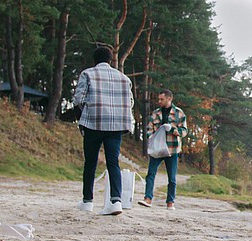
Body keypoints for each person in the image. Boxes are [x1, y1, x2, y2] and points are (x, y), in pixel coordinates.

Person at [74, 46, 135, 216]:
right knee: (113, 162)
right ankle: (115, 201)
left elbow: (79, 98)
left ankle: (87, 201)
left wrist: (84, 110)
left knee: (90, 162)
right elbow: (130, 103)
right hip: (116, 126)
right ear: (110, 60)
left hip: (94, 123)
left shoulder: (87, 74)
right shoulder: (124, 78)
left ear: (95, 60)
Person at [139, 89, 188, 209]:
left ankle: (170, 202)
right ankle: (148, 198)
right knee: (150, 174)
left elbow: (185, 131)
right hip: (157, 150)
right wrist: (151, 137)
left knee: (172, 177)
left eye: (162, 99)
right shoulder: (155, 113)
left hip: (172, 150)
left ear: (169, 99)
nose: (159, 101)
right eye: (158, 99)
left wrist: (173, 130)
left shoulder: (179, 113)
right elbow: (149, 129)